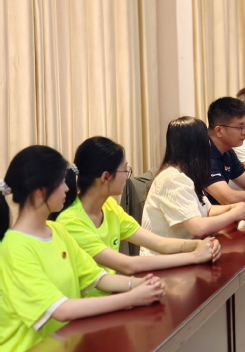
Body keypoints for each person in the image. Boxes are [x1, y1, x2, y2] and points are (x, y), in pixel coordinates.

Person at [0, 146, 165, 350]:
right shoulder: (14, 248)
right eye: (60, 182)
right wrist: (132, 297)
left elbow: (98, 278)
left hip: (67, 342)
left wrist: (138, 284)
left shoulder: (57, 230)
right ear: (40, 192)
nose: (67, 188)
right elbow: (61, 310)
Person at [56, 136, 221, 285]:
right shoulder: (71, 222)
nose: (127, 176)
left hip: (113, 295)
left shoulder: (109, 207)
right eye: (125, 170)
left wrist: (198, 245)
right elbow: (127, 265)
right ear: (105, 177)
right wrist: (194, 256)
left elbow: (159, 243)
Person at [141, 117, 245, 255]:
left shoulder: (186, 173)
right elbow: (198, 228)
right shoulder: (172, 179)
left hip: (186, 252)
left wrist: (232, 208)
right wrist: (233, 214)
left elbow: (207, 209)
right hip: (164, 260)